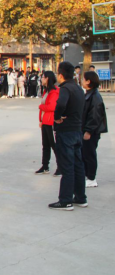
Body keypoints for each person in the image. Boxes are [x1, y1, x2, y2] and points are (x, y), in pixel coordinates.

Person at [50, 62, 87, 211]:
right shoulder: (78, 88)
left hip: (66, 131)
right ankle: (80, 197)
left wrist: (57, 117)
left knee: (67, 166)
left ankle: (66, 200)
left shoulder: (65, 88)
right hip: (77, 130)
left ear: (60, 75)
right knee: (78, 165)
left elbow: (60, 105)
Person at [81, 71, 108, 189]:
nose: (82, 81)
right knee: (84, 153)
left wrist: (88, 131)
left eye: (83, 79)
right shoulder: (89, 94)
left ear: (88, 81)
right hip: (86, 129)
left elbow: (95, 116)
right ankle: (87, 175)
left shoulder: (95, 96)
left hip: (91, 132)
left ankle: (92, 178)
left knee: (89, 154)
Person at [36, 71, 60, 175]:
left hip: (50, 121)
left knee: (54, 145)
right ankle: (45, 166)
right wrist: (41, 120)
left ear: (47, 79)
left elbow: (52, 107)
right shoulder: (46, 91)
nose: (41, 79)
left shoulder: (54, 92)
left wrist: (41, 106)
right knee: (45, 145)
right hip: (45, 120)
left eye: (43, 77)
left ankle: (61, 166)